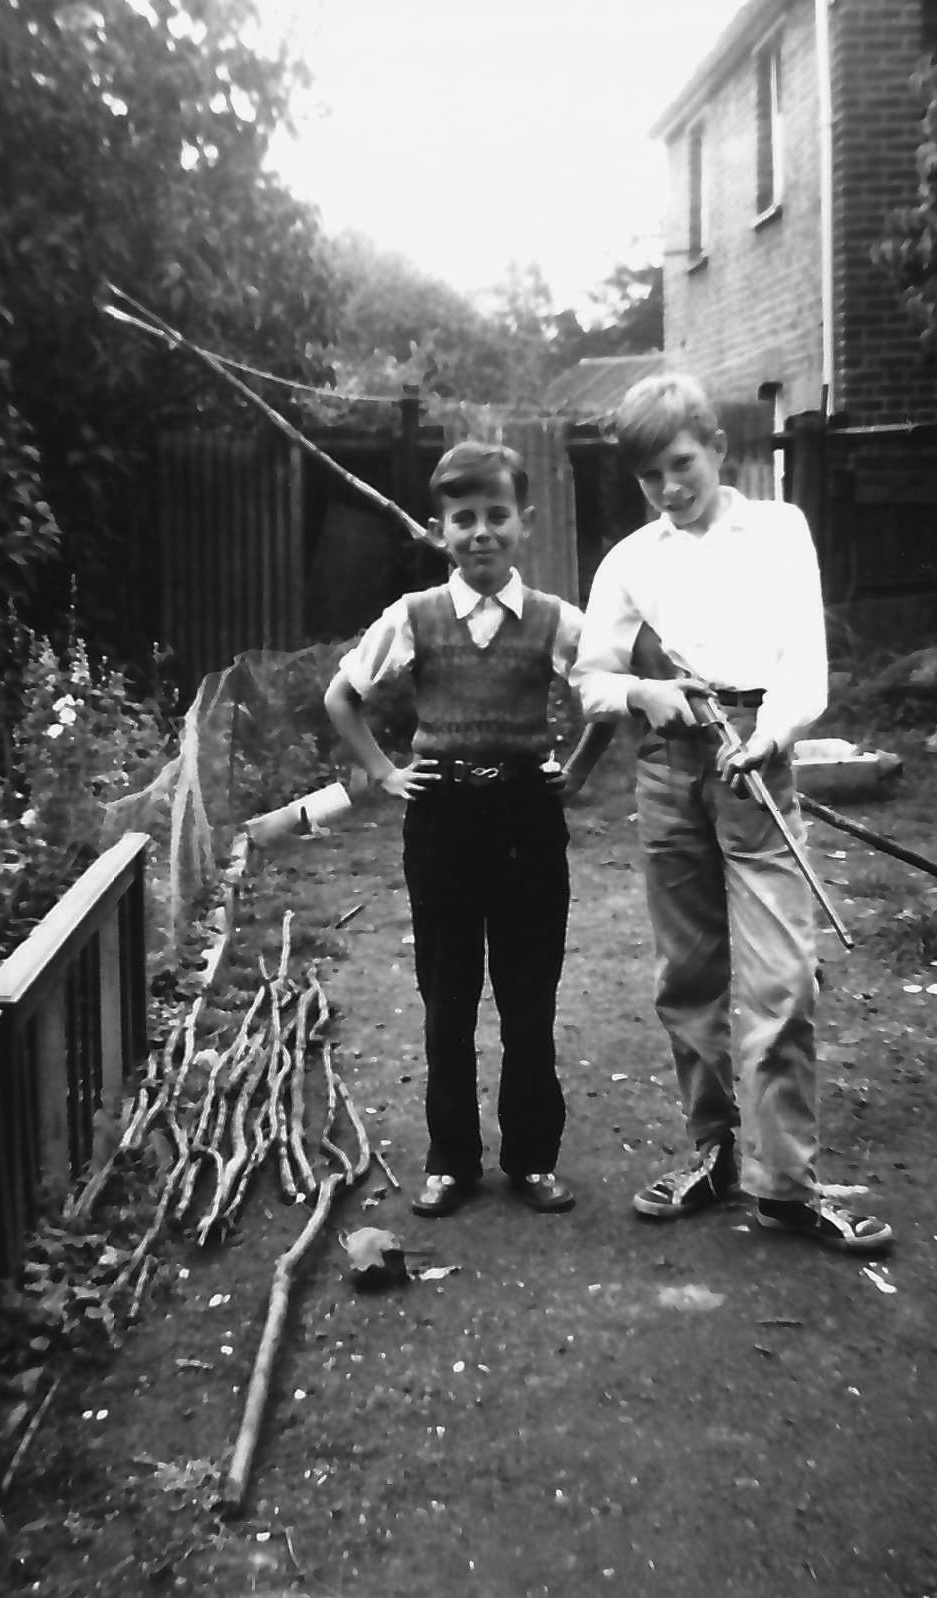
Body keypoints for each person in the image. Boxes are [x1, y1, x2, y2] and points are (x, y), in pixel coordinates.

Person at [572, 374, 892, 1253]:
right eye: (648, 478)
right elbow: (591, 678)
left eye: (679, 465)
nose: (668, 490)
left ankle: (785, 1185)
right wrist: (644, 691)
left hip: (755, 754)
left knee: (780, 978)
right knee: (690, 976)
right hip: (668, 768)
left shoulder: (779, 531)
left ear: (715, 447)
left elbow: (804, 659)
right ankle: (712, 1156)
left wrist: (772, 732)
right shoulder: (630, 560)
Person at [324, 441, 611, 1219]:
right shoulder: (414, 616)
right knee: (446, 996)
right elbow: (341, 695)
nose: (480, 532)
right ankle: (450, 1159)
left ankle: (531, 1158)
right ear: (438, 530)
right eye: (462, 519)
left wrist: (579, 768)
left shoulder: (555, 619)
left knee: (528, 996)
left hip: (525, 817)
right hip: (443, 820)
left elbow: (609, 693)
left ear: (522, 523)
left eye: (495, 516)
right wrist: (385, 774)